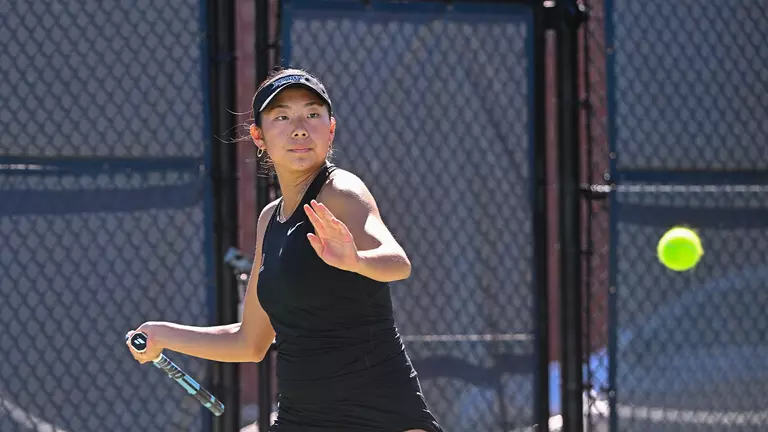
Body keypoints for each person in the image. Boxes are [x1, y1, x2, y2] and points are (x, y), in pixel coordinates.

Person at [126, 68, 443, 432]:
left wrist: (355, 260)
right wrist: (162, 334)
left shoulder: (341, 190)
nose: (299, 127)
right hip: (302, 419)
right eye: (281, 116)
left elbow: (397, 263)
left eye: (312, 114)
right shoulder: (268, 220)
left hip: (381, 417)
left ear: (331, 129)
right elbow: (250, 342)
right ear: (258, 136)